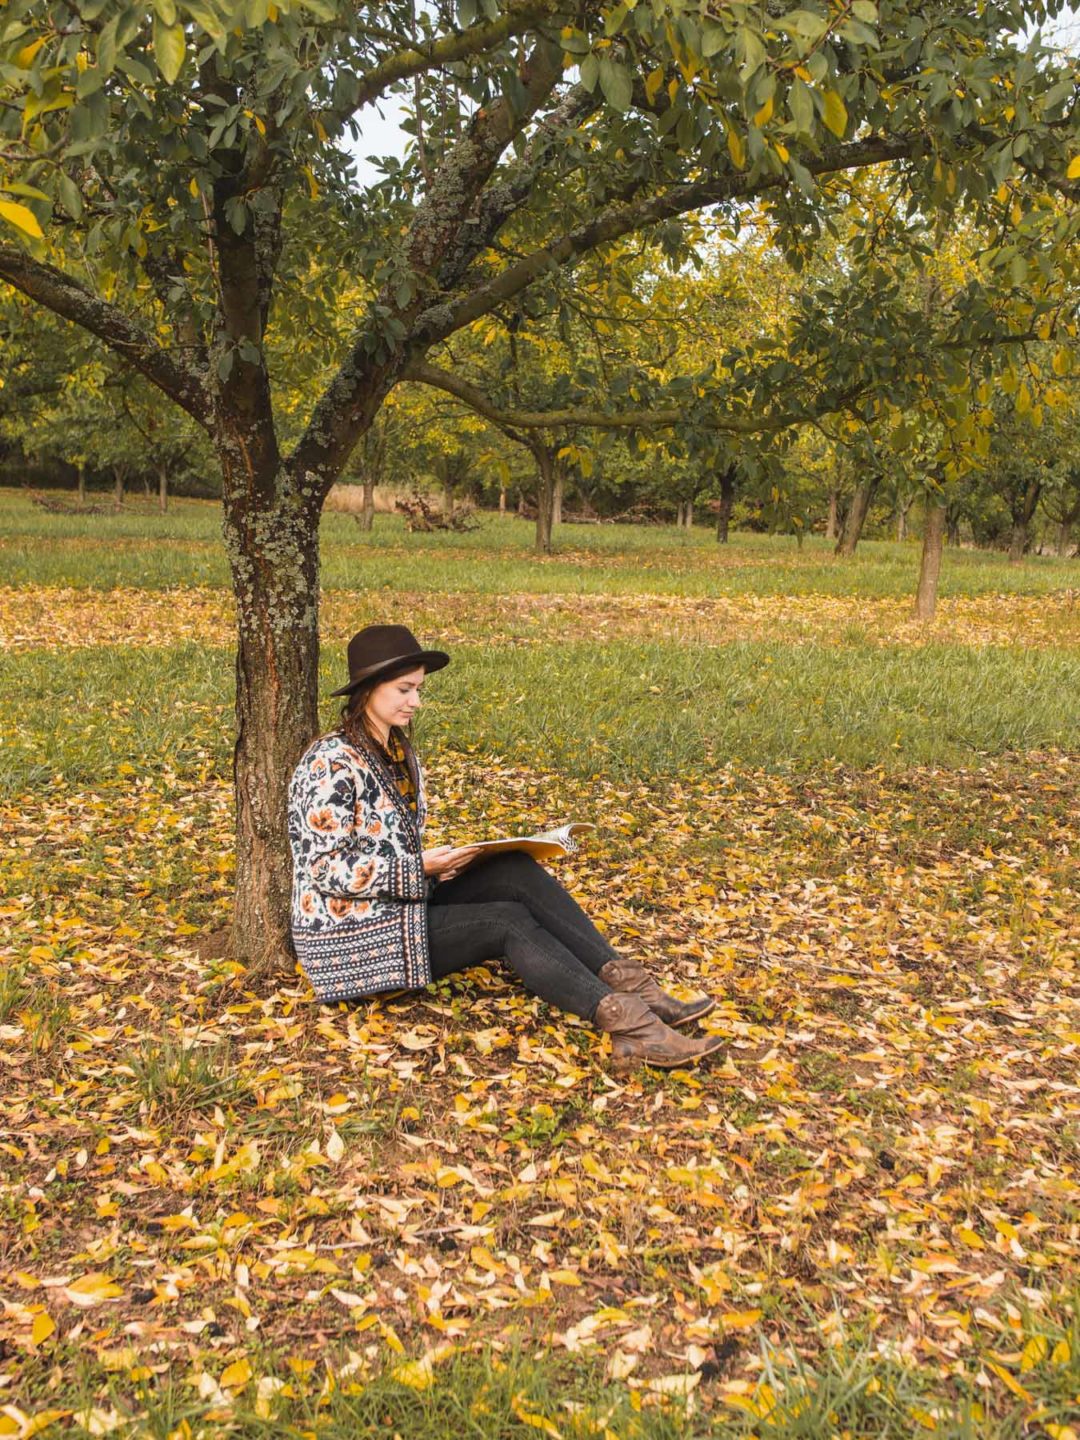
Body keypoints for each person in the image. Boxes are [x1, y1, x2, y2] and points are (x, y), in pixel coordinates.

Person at [287, 625, 723, 1070]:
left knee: (513, 868)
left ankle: (637, 989)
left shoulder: (397, 751)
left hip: (400, 903)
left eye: (418, 689)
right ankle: (634, 1030)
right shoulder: (330, 761)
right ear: (368, 689)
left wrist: (442, 865)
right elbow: (323, 867)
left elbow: (388, 843)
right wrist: (419, 866)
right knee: (504, 921)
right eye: (404, 689)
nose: (415, 701)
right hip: (350, 939)